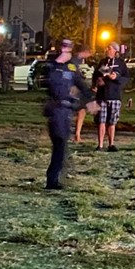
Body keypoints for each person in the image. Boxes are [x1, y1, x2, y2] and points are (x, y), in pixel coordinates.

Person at [44, 40, 94, 189]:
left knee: (62, 145)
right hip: (56, 110)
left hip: (66, 110)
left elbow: (81, 84)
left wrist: (90, 100)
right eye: (64, 48)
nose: (66, 51)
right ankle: (53, 180)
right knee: (60, 143)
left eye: (69, 48)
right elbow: (52, 84)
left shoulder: (71, 67)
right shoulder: (52, 66)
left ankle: (58, 176)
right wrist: (59, 62)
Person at [93, 44, 130, 151]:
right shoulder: (102, 62)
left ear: (115, 51)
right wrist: (97, 82)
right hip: (102, 96)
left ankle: (111, 144)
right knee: (101, 120)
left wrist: (116, 77)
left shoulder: (121, 64)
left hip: (115, 96)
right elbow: (96, 75)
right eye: (107, 48)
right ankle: (100, 145)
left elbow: (126, 78)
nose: (107, 50)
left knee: (112, 121)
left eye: (109, 48)